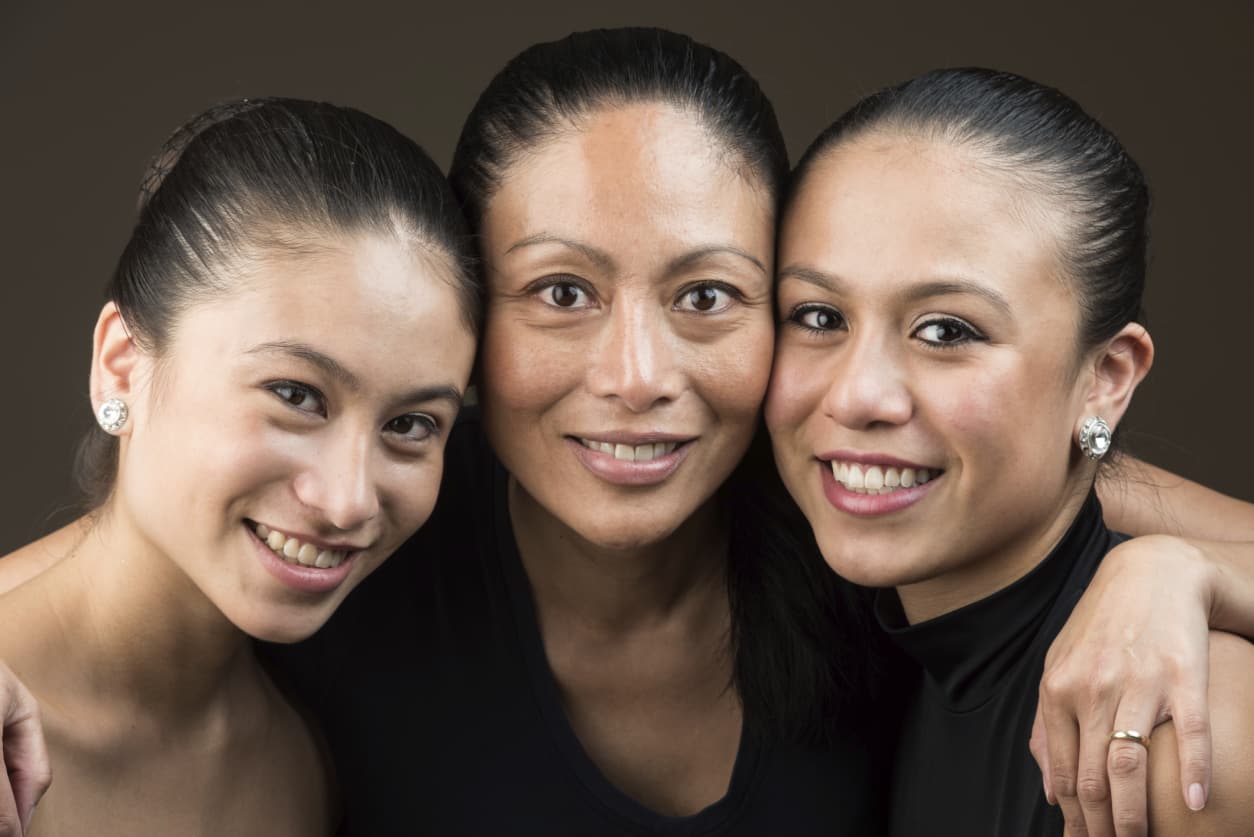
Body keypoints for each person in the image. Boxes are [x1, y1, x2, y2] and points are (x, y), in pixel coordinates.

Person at [2, 30, 1253, 837]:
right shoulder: (365, 535)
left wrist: (1170, 567)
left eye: (709, 298)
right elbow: (149, 533)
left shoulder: (853, 518)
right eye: (560, 294)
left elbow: (1037, 481)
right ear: (468, 329)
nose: (638, 375)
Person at [766, 67, 1254, 835]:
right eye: (819, 315)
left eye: (947, 331)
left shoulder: (1180, 736)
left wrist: (1183, 567)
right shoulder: (848, 616)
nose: (856, 396)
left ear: (1104, 379)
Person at [0, 98, 478, 836]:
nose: (348, 500)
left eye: (411, 424)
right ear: (121, 366)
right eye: (295, 394)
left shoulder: (306, 765)